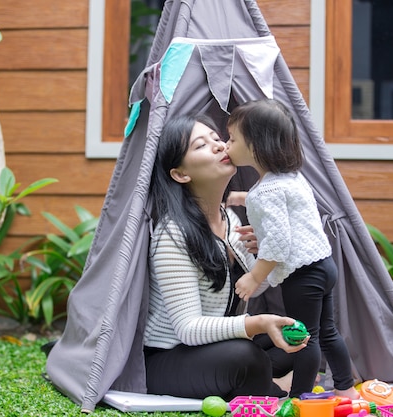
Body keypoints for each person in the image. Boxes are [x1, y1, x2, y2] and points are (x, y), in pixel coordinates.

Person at [144, 112, 307, 401]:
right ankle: (276, 390)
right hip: (170, 357)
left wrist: (270, 253)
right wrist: (257, 324)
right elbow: (188, 329)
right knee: (247, 357)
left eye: (218, 139)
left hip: (219, 346)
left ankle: (265, 379)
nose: (220, 146)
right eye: (200, 145)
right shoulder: (172, 234)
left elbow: (258, 283)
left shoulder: (228, 218)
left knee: (302, 337)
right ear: (181, 174)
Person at [225, 98, 359, 400]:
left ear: (255, 146)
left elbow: (278, 243)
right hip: (324, 266)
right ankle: (345, 387)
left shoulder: (268, 191)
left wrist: (254, 277)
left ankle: (300, 396)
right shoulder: (289, 179)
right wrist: (243, 198)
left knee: (304, 338)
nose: (227, 145)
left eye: (233, 139)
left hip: (302, 276)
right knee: (328, 332)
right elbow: (282, 207)